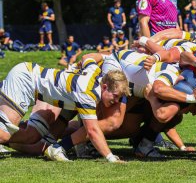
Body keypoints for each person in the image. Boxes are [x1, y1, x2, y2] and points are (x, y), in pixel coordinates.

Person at [0, 59, 130, 162]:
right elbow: (92, 130)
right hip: (25, 80)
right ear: (105, 87)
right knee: (3, 134)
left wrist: (103, 57)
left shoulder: (95, 72)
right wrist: (110, 157)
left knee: (32, 137)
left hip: (29, 77)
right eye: (116, 95)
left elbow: (88, 58)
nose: (117, 101)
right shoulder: (88, 95)